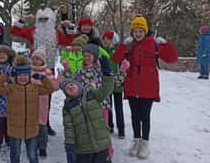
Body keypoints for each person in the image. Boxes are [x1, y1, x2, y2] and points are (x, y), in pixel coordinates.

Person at [112, 15, 178, 159]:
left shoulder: (153, 44)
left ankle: (145, 143)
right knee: (135, 116)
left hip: (148, 87)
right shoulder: (129, 45)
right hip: (131, 86)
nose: (138, 33)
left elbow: (172, 58)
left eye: (141, 30)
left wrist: (166, 44)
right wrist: (122, 45)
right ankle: (136, 141)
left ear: (145, 31)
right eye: (135, 30)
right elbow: (116, 59)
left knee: (145, 116)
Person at [11, 7, 75, 136]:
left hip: (48, 69)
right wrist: (23, 20)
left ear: (51, 20)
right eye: (41, 19)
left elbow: (70, 40)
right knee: (30, 96)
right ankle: (32, 123)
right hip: (32, 69)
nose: (43, 21)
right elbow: (15, 31)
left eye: (46, 19)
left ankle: (45, 123)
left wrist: (70, 26)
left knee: (47, 98)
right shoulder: (33, 31)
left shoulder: (56, 34)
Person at [0, 55, 54, 163]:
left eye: (25, 75)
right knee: (15, 155)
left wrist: (42, 78)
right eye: (20, 75)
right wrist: (5, 75)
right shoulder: (11, 89)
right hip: (15, 129)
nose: (23, 77)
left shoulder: (34, 88)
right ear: (15, 76)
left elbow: (50, 88)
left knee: (32, 155)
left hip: (32, 129)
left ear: (29, 76)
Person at [61, 75, 114, 163]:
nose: (70, 87)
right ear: (66, 94)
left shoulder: (92, 95)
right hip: (83, 149)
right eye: (66, 88)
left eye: (71, 84)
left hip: (101, 144)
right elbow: (68, 128)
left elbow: (106, 89)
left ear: (78, 85)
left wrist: (107, 75)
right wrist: (69, 145)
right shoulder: (68, 107)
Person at [30, 48, 60, 157]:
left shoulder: (47, 72)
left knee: (42, 126)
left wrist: (62, 76)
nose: (35, 61)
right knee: (31, 127)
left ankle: (42, 147)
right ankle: (32, 146)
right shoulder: (27, 71)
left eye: (38, 59)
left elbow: (54, 86)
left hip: (42, 104)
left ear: (43, 61)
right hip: (29, 104)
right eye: (34, 58)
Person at [102, 30, 126, 139]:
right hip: (106, 83)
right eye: (105, 39)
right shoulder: (102, 51)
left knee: (118, 107)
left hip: (117, 84)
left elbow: (122, 64)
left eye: (109, 39)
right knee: (108, 106)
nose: (106, 41)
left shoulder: (116, 51)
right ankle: (110, 125)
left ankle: (121, 129)